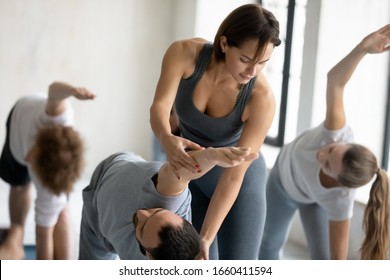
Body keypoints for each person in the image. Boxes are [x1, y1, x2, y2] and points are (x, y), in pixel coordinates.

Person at [149, 3, 281, 260]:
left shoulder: (261, 98)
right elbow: (159, 107)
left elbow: (233, 176)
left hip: (238, 187)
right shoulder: (184, 53)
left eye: (262, 63)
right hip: (192, 177)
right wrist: (166, 138)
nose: (252, 72)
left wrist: (206, 237)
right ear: (223, 43)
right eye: (245, 59)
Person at [259, 25, 390, 260]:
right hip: (281, 182)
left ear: (341, 184)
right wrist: (362, 49)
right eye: (331, 150)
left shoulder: (339, 201)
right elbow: (335, 81)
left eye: (328, 165)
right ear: (342, 142)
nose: (321, 156)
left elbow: (337, 264)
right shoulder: (336, 131)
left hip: (313, 201)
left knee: (323, 258)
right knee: (269, 244)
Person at [78, 146, 258, 260]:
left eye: (142, 227)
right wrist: (212, 156)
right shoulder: (171, 200)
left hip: (102, 230)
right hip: (106, 176)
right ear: (184, 220)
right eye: (155, 212)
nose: (142, 213)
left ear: (151, 258)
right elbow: (181, 171)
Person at [0, 81, 96, 259]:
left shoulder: (49, 187)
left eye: (31, 159)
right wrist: (72, 91)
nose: (27, 157)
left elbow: (43, 235)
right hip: (19, 117)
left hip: (50, 175)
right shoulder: (56, 117)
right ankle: (16, 236)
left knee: (60, 209)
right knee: (19, 186)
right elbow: (53, 90)